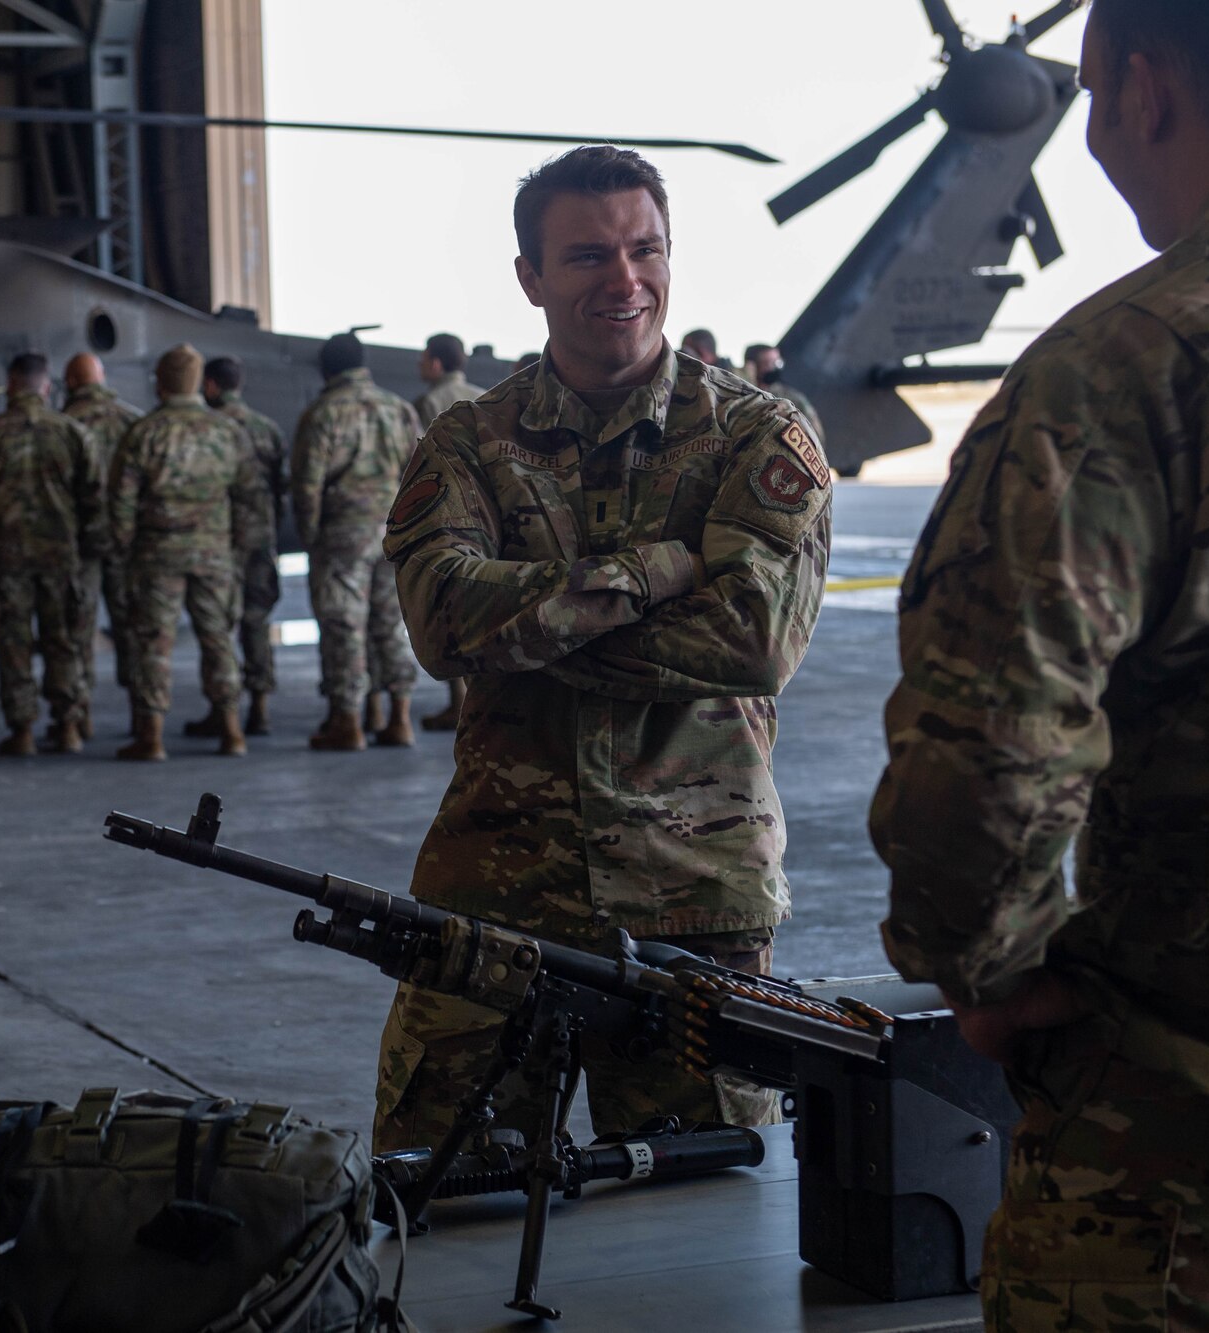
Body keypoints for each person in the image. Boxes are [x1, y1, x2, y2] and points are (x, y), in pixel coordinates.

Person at [871, 4, 1209, 1325]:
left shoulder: (1136, 365)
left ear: (1137, 90)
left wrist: (989, 974)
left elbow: (985, 758)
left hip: (1201, 1168)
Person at [374, 145, 831, 1151]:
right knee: (440, 1206)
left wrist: (530, 633)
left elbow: (751, 640)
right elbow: (440, 624)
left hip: (693, 901)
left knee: (703, 1229)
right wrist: (651, 571)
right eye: (586, 257)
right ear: (529, 279)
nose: (624, 281)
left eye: (644, 250)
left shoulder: (758, 436)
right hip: (495, 891)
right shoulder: (464, 444)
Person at [106, 343, 263, 761]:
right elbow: (250, 495)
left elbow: (121, 502)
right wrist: (238, 547)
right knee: (218, 640)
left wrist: (123, 547)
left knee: (154, 644)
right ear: (198, 382)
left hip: (158, 555)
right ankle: (232, 732)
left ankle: (152, 737)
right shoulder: (227, 432)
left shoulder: (144, 433)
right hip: (213, 554)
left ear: (160, 382)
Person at [0, 353, 103, 756]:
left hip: (8, 559)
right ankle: (70, 726)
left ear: (10, 384)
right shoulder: (74, 433)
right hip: (61, 557)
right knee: (64, 641)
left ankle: (22, 731)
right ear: (46, 386)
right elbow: (94, 499)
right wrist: (86, 545)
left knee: (14, 644)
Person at [290, 332, 421, 752]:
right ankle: (399, 717)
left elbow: (307, 485)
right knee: (390, 624)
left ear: (328, 368)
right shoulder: (398, 409)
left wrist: (310, 535)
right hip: (393, 533)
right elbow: (422, 474)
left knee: (344, 625)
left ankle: (347, 721)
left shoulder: (322, 413)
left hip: (342, 534)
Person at [199, 355, 284, 737]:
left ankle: (224, 710)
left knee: (218, 626)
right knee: (257, 622)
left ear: (212, 385)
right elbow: (282, 486)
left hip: (219, 540)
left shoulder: (209, 430)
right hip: (260, 538)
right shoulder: (266, 427)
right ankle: (261, 709)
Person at [60, 353, 142, 734]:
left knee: (79, 629)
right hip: (128, 544)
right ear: (102, 377)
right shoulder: (135, 421)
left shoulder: (63, 426)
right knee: (133, 627)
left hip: (82, 545)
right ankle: (144, 716)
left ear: (70, 381)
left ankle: (80, 718)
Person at [411, 333, 489, 733]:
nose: (421, 365)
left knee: (448, 612)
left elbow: (420, 466)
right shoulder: (482, 395)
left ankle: (458, 704)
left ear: (437, 363)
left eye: (424, 359)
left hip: (446, 518)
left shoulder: (428, 403)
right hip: (484, 516)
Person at [742, 343, 824, 442]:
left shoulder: (793, 398)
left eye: (776, 362)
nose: (774, 368)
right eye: (768, 363)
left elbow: (817, 437)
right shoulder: (741, 393)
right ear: (752, 367)